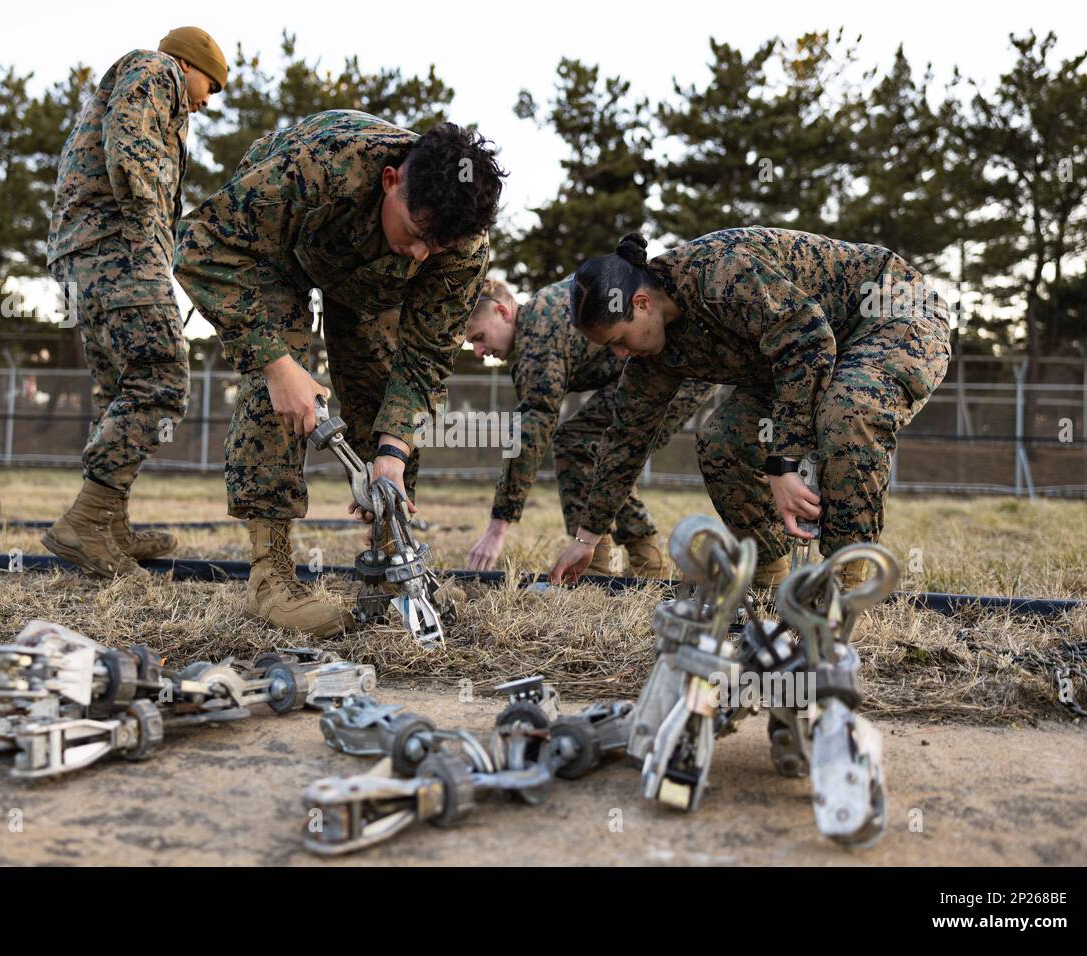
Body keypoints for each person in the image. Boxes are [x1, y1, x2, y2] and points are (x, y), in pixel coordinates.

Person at [175, 109, 506, 636]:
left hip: (367, 286)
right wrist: (278, 364)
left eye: (437, 247)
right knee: (280, 376)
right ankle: (270, 578)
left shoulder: (458, 239)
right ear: (390, 181)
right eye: (418, 232)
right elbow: (196, 247)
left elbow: (425, 360)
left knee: (388, 406)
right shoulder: (317, 168)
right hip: (277, 252)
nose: (422, 255)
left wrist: (392, 455)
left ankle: (394, 568)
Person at [550, 228, 950, 588]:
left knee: (848, 410)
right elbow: (627, 440)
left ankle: (843, 590)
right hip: (806, 354)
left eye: (619, 340)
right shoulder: (653, 353)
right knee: (722, 441)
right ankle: (769, 577)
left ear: (640, 303)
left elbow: (807, 342)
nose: (621, 354)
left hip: (889, 311)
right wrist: (586, 538)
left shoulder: (720, 273)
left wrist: (785, 463)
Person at [44, 26, 227, 577]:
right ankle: (86, 519)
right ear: (188, 64)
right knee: (161, 377)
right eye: (211, 84)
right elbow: (129, 147)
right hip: (117, 249)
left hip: (92, 250)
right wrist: (148, 239)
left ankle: (107, 524)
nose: (207, 99)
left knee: (120, 388)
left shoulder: (160, 92)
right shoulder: (155, 70)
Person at [463, 277, 717, 576]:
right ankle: (623, 557)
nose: (479, 351)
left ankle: (615, 560)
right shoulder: (537, 324)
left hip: (679, 366)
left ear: (502, 312)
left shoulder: (537, 335)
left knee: (586, 443)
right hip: (664, 362)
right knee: (584, 441)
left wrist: (497, 528)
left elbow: (533, 427)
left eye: (479, 337)